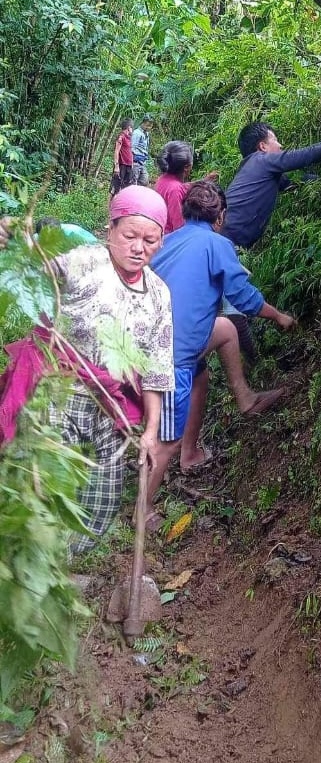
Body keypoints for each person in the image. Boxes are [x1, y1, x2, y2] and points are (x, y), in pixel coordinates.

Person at [0, 187, 175, 555]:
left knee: (103, 500)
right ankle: (26, 552)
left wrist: (151, 432)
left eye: (149, 240)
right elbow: (38, 264)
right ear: (110, 231)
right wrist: (15, 242)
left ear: (160, 242)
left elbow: (157, 368)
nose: (138, 247)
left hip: (113, 406)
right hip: (58, 390)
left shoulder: (159, 294)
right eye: (129, 236)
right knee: (43, 482)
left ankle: (55, 561)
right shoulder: (84, 260)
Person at [145, 181, 295, 529]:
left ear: (183, 213)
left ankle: (210, 434)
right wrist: (280, 317)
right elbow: (243, 298)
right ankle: (142, 509)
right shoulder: (218, 244)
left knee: (224, 332)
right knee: (166, 441)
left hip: (147, 340)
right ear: (220, 217)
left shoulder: (168, 241)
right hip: (172, 355)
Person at [221, 121, 321, 249]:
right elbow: (304, 155)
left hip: (224, 240)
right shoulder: (261, 160)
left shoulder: (253, 170)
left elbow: (296, 181)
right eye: (275, 140)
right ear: (263, 147)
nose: (280, 145)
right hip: (223, 240)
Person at [154, 140, 219, 234]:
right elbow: (179, 226)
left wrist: (203, 181)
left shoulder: (163, 179)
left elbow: (183, 187)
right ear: (187, 167)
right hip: (168, 238)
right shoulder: (175, 190)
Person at [110, 117, 134, 196]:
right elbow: (116, 151)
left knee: (126, 189)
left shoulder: (129, 138)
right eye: (132, 128)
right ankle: (111, 207)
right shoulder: (121, 136)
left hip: (128, 166)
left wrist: (132, 164)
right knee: (115, 189)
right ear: (129, 127)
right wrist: (116, 166)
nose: (132, 130)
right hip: (121, 165)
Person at [131, 115, 153, 186]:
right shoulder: (137, 133)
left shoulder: (146, 133)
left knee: (144, 181)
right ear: (142, 123)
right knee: (134, 181)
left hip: (143, 161)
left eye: (150, 126)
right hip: (136, 161)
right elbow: (132, 147)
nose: (149, 127)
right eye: (147, 125)